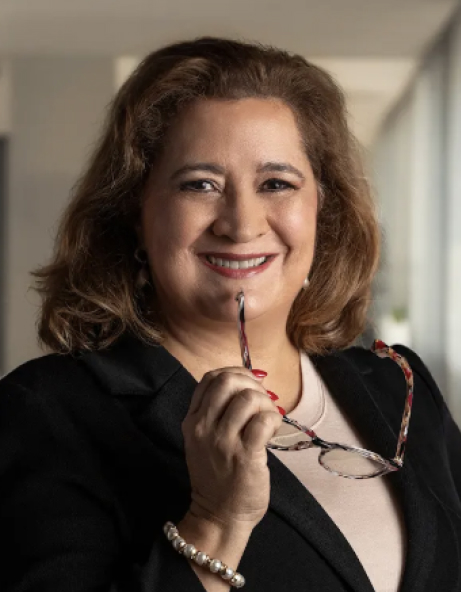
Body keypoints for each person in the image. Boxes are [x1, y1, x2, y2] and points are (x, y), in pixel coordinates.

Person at [0, 36, 460, 592]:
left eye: (276, 184)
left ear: (323, 209)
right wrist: (217, 521)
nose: (242, 224)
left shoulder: (400, 387)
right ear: (135, 216)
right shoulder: (48, 411)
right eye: (201, 185)